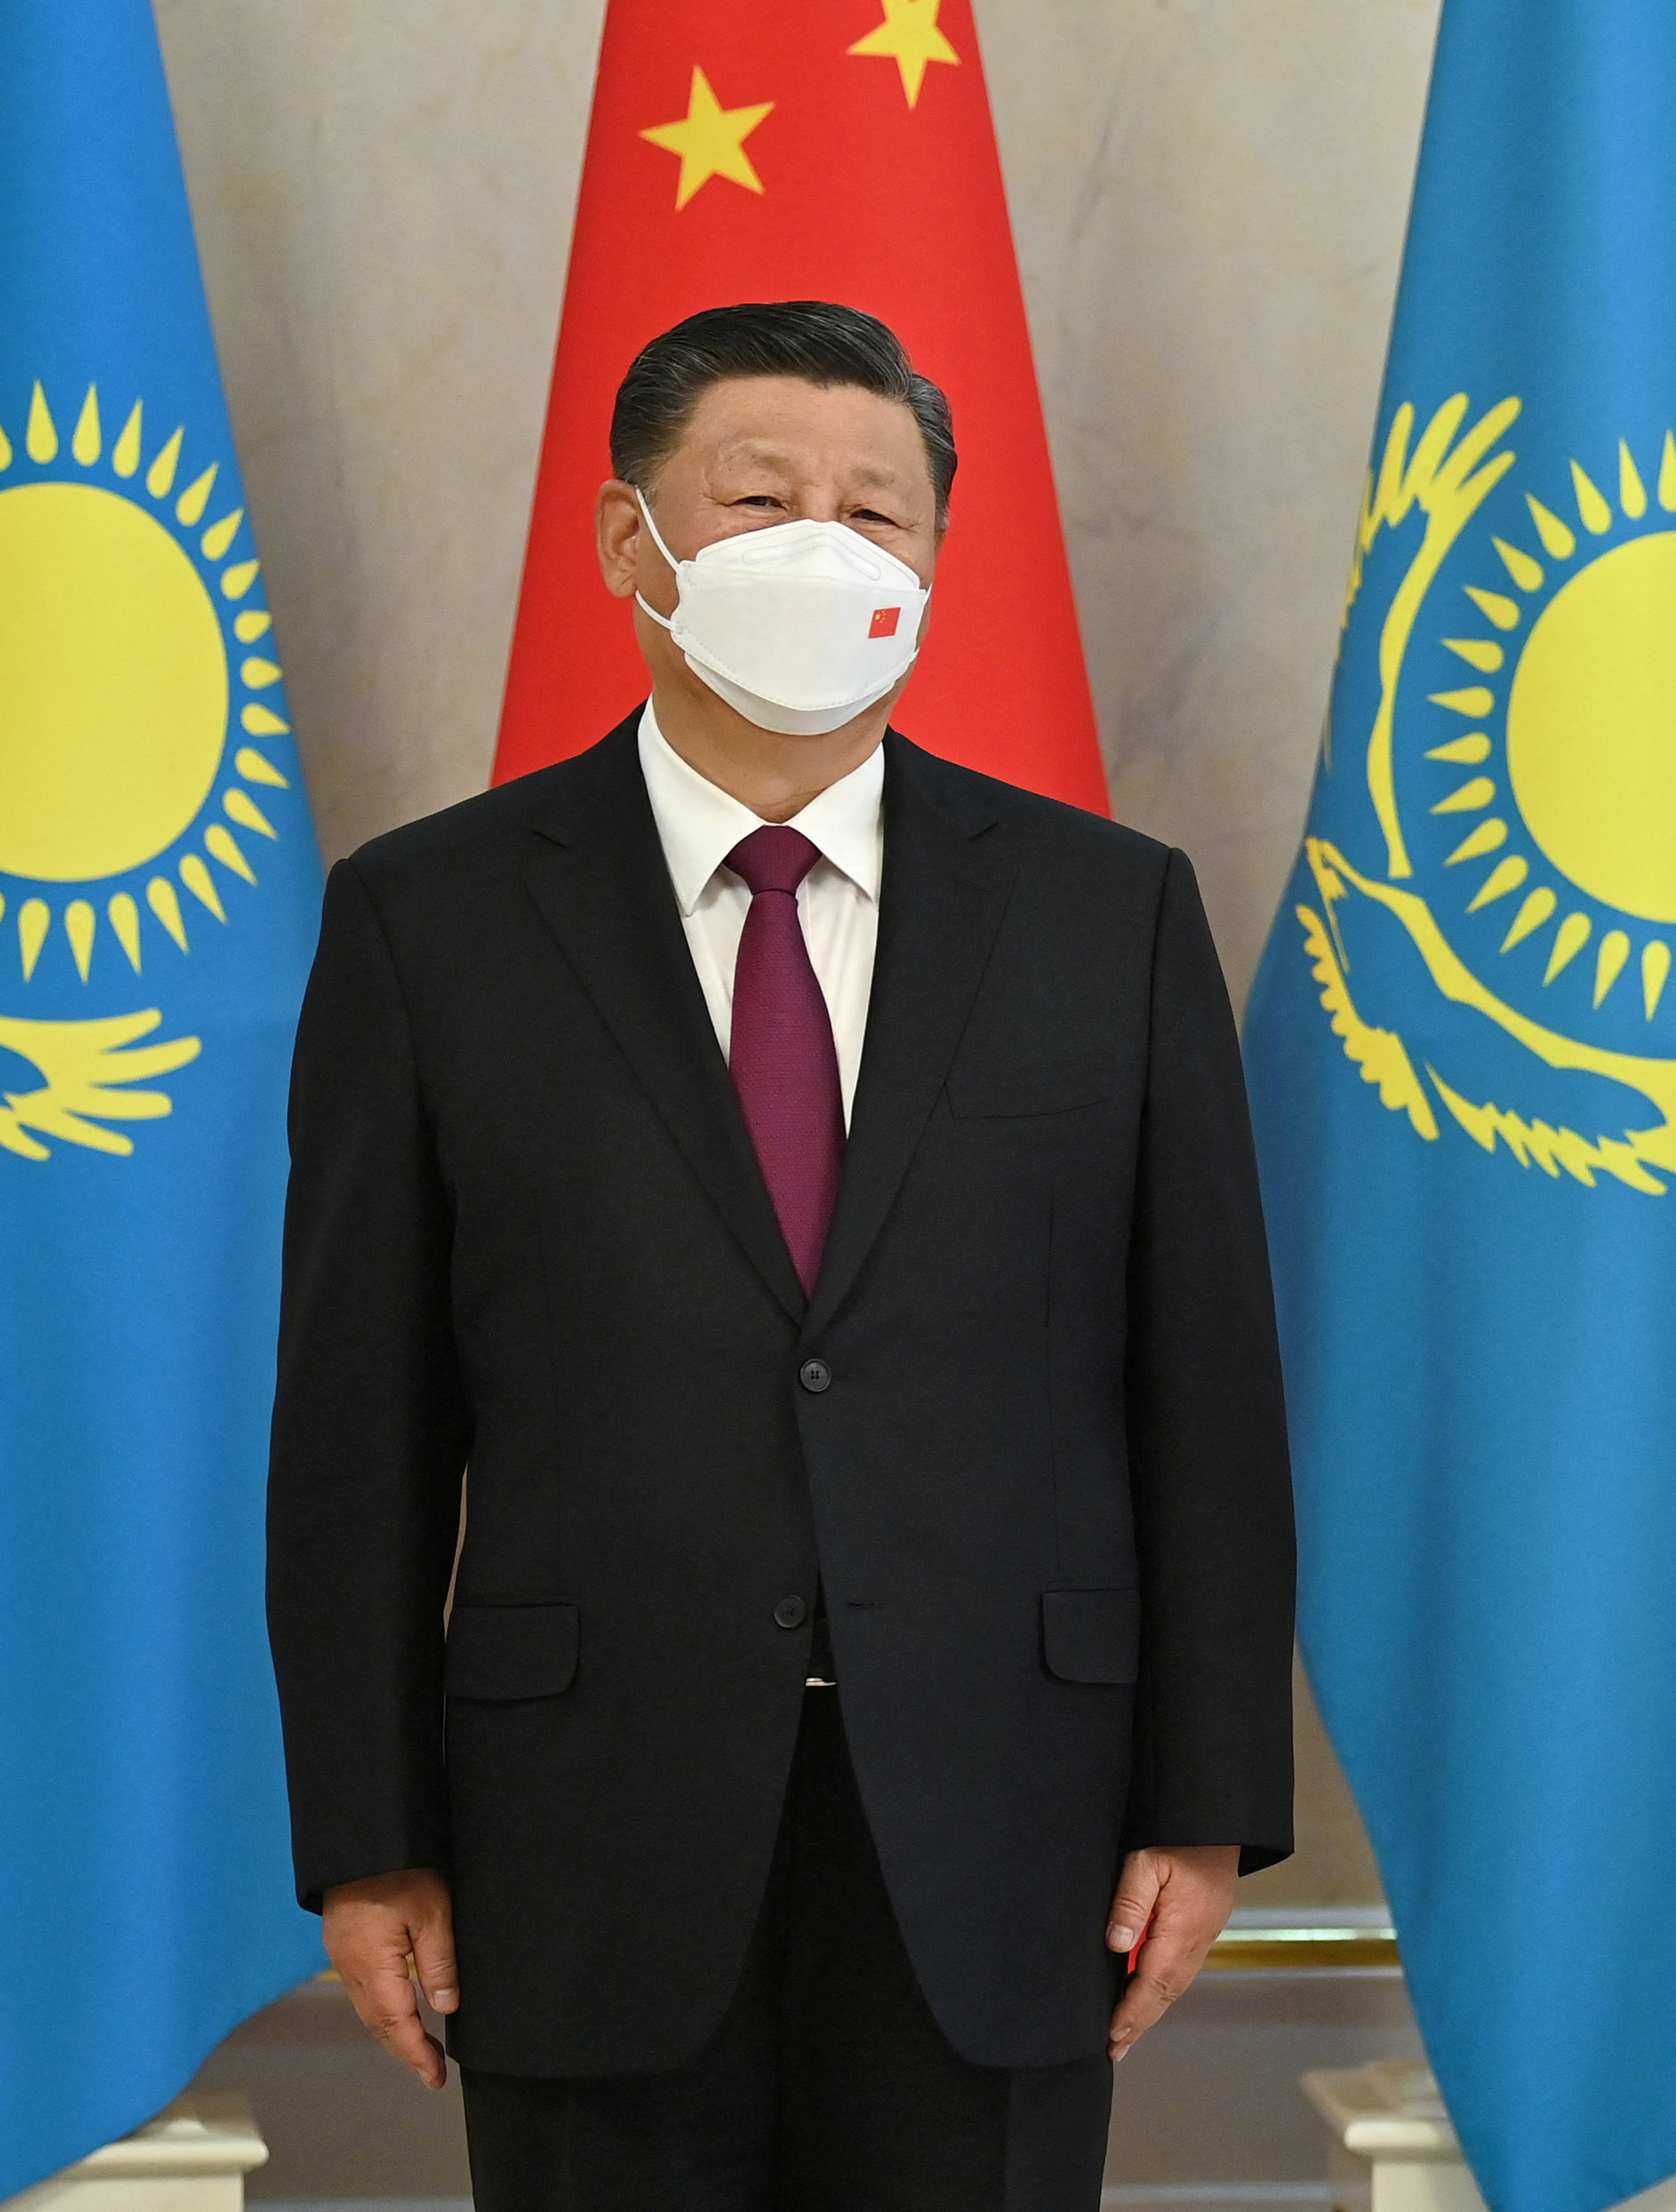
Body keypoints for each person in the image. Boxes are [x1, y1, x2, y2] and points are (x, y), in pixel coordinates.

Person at [266, 300, 1295, 2208]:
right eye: (759, 496)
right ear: (625, 539)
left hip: (1008, 1832)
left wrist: (1206, 1800)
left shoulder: (1108, 915)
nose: (824, 545)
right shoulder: (432, 921)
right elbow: (357, 1434)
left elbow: (1204, 1394)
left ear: (930, 565)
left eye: (876, 510)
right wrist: (368, 1837)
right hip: (577, 1839)